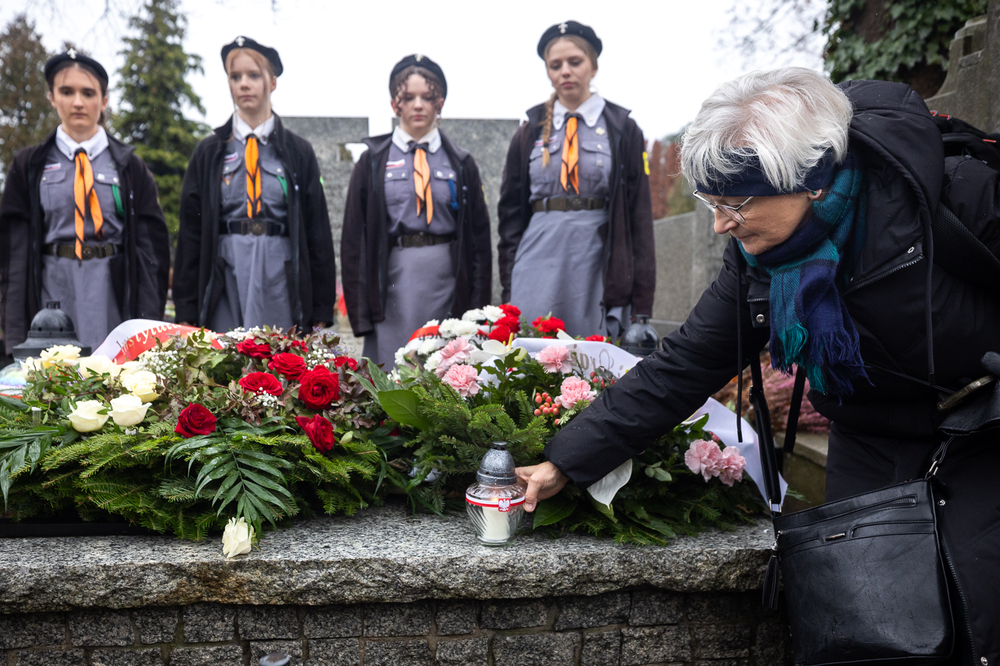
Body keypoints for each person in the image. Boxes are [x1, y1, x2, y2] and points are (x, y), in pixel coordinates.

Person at [518, 68, 1000, 665]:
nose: (721, 224)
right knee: (873, 628)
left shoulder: (954, 195)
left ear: (810, 181)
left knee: (982, 617)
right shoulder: (758, 258)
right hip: (872, 433)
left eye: (736, 203)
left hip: (984, 431)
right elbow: (684, 366)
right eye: (711, 203)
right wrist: (565, 460)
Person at [0, 50, 170, 353]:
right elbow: (13, 257)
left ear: (103, 100)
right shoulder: (29, 166)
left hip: (111, 292)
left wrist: (148, 327)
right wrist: (14, 332)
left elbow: (151, 256)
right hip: (52, 290)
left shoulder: (130, 167)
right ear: (52, 97)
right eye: (67, 91)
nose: (78, 102)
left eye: (88, 93)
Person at [497, 21, 655, 339]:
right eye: (555, 65)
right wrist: (508, 287)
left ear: (593, 66)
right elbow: (509, 218)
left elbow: (640, 217)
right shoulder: (528, 132)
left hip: (597, 257)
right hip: (537, 255)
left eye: (575, 62)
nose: (565, 72)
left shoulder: (622, 128)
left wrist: (642, 306)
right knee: (533, 355)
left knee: (590, 359)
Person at [173, 36, 335, 333]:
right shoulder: (209, 151)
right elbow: (191, 233)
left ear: (272, 82)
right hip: (225, 271)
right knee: (225, 363)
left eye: (253, 76)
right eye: (235, 77)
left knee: (278, 362)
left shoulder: (298, 151)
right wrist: (186, 306)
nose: (243, 84)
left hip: (278, 271)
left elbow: (317, 231)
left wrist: (322, 305)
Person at [341, 54, 492, 367]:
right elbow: (354, 241)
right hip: (392, 283)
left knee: (445, 376)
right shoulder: (372, 162)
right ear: (394, 104)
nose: (418, 105)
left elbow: (478, 242)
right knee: (393, 374)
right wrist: (360, 313)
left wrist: (478, 311)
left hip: (446, 282)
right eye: (408, 97)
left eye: (428, 97)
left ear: (441, 102)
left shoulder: (460, 163)